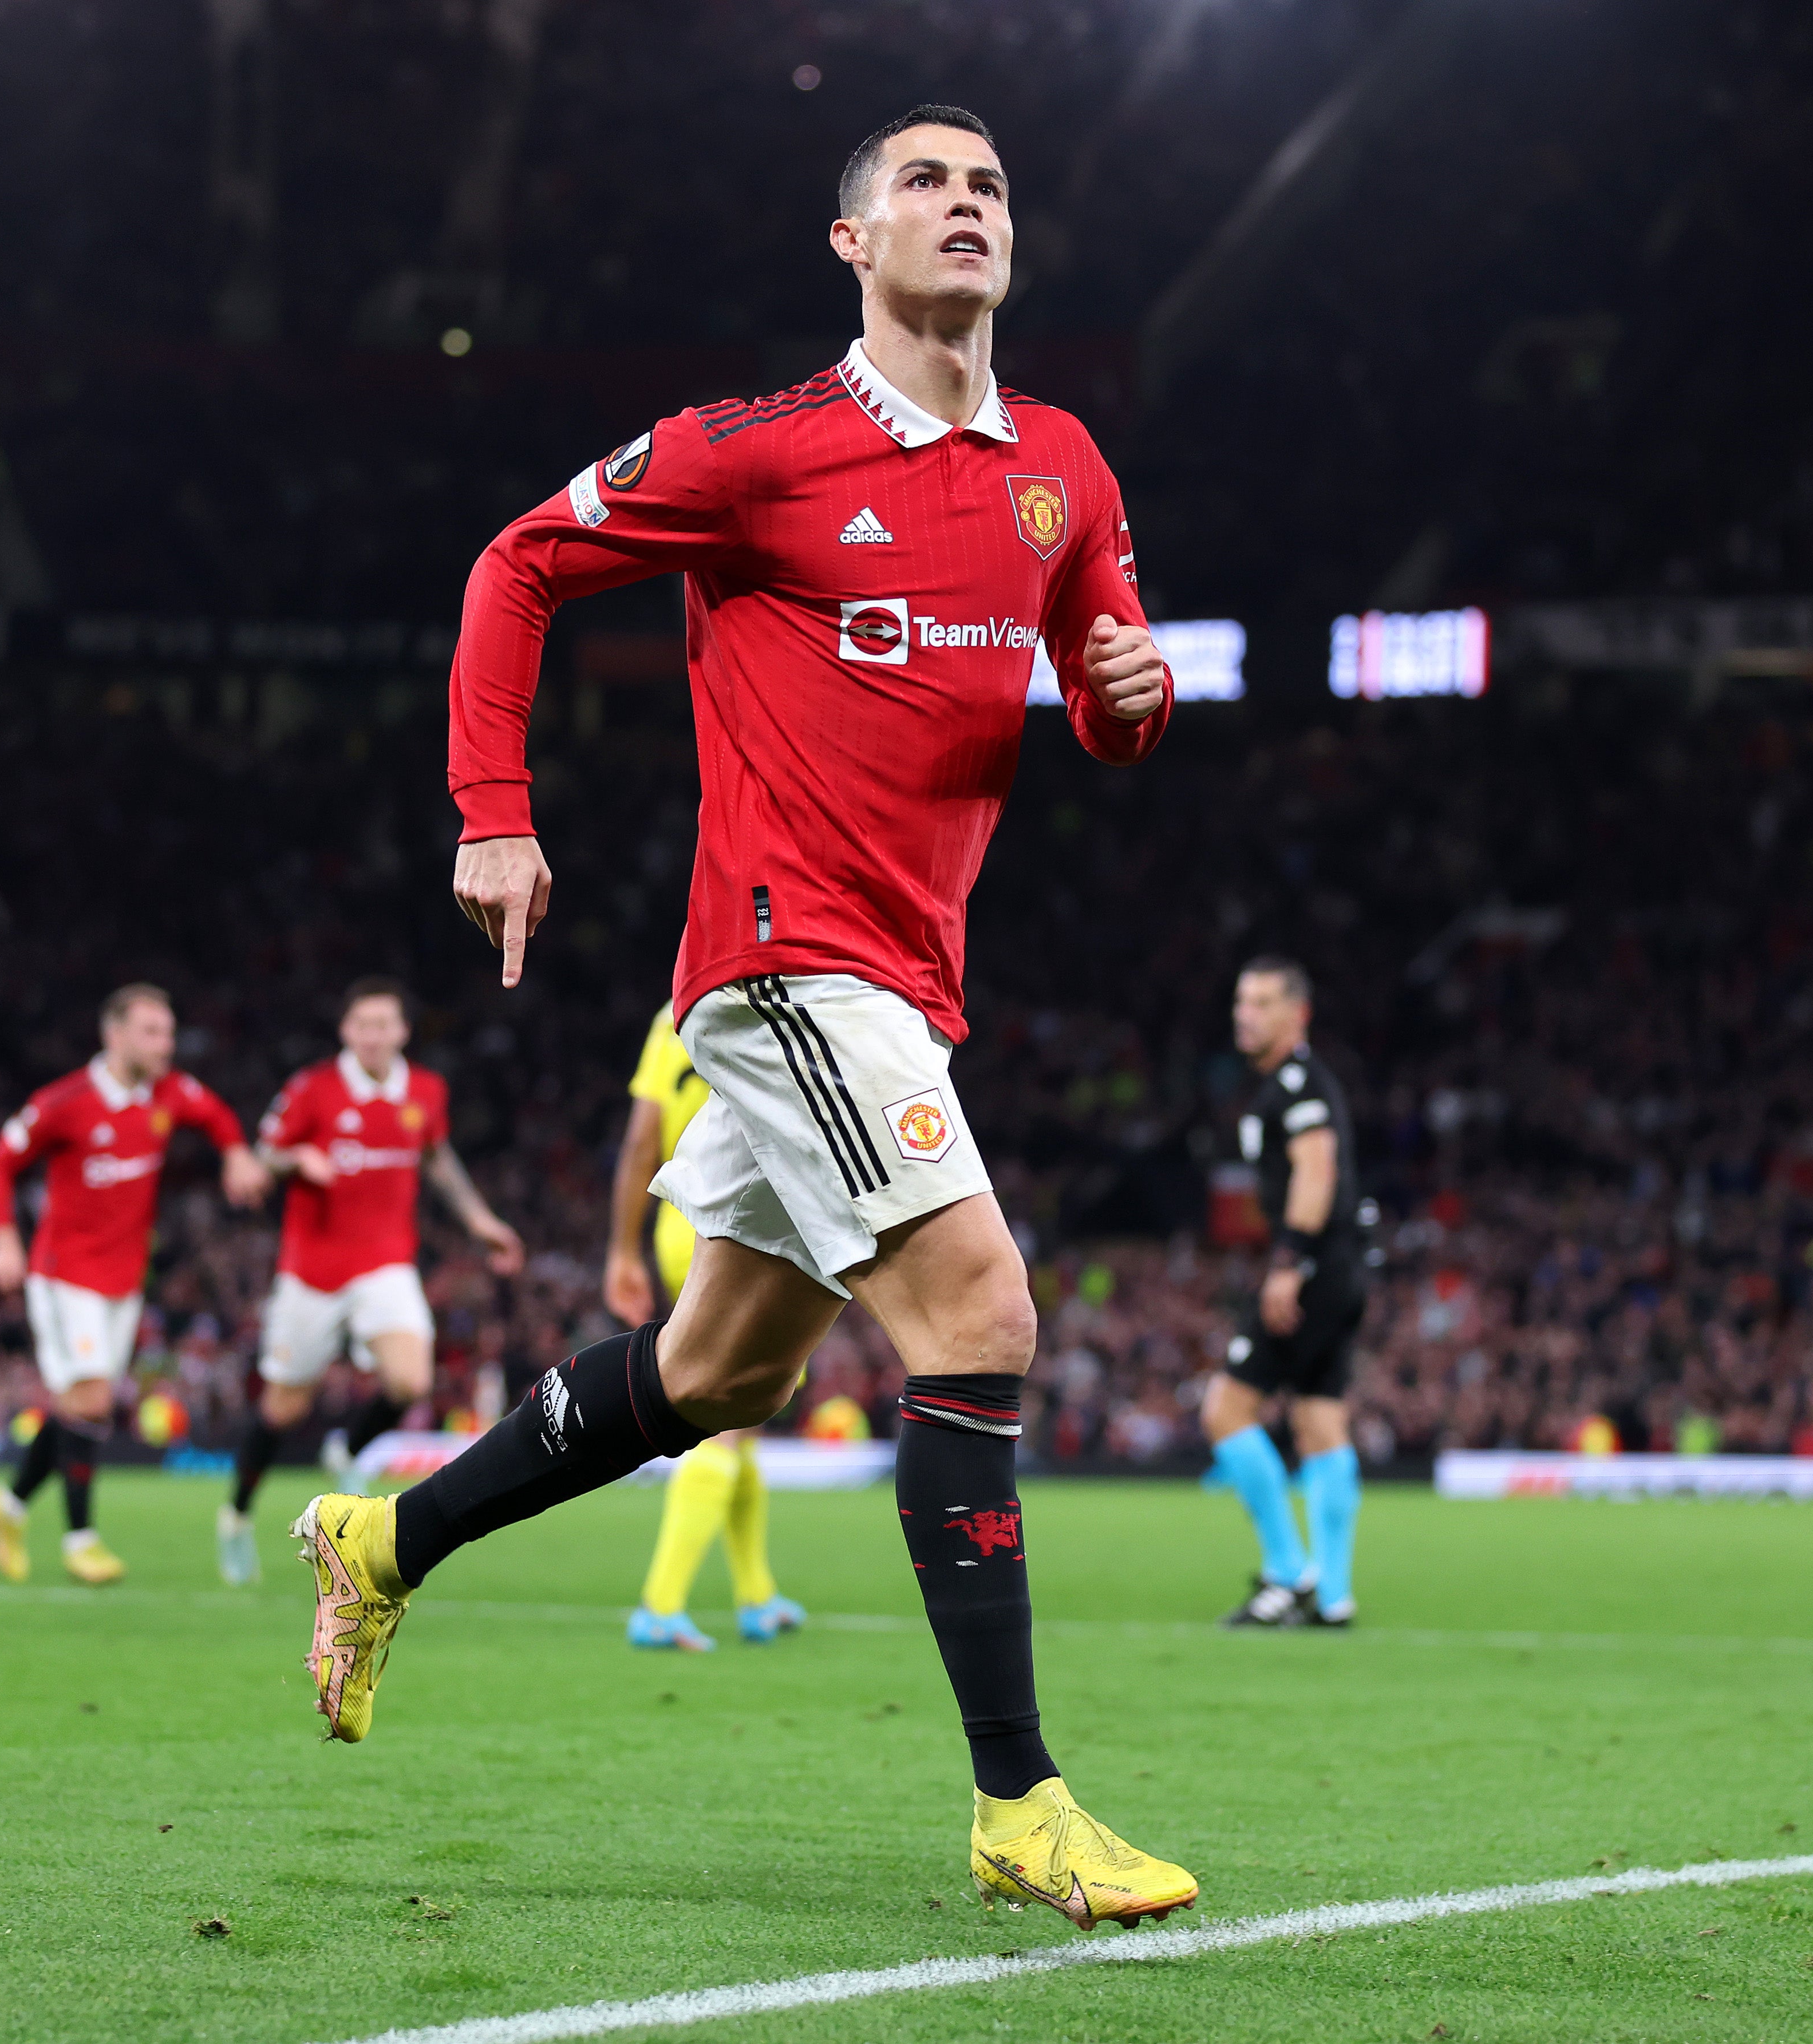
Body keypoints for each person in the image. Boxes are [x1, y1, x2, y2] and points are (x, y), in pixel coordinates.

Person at [291, 105, 1198, 1928]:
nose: (966, 207)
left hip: (906, 983)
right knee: (983, 1309)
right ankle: (1020, 1801)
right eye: (925, 185)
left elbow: (1106, 710)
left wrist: (1131, 692)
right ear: (850, 242)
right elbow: (517, 561)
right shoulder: (760, 454)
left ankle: (386, 1532)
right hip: (787, 965)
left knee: (725, 1372)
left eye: (990, 186)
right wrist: (492, 810)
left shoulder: (1065, 468)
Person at [216, 976, 523, 1587]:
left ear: (403, 1031)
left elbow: (436, 1158)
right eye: (363, 1025)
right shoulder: (313, 1089)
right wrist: (294, 1159)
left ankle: (345, 1449)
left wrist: (480, 1219)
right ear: (346, 1032)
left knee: (410, 1380)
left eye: (385, 1024)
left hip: (385, 1263)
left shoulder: (425, 1091)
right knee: (282, 1408)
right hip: (311, 1273)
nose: (375, 1035)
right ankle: (236, 1515)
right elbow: (263, 1154)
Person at [0, 983, 265, 1585]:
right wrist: (4, 1239)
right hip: (64, 1276)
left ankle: (8, 1505)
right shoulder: (66, 1102)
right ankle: (82, 1540)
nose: (167, 1043)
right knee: (93, 1403)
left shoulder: (168, 1093)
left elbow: (214, 1114)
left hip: (124, 1281)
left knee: (79, 1407)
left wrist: (236, 1154)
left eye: (169, 1031)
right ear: (115, 1035)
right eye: (152, 1032)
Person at [606, 1002, 806, 1650]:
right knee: (729, 1417)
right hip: (749, 1216)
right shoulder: (787, 986)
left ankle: (756, 1596)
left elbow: (643, 1136)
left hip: (681, 1214)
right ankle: (659, 1605)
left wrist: (622, 1248)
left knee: (742, 1423)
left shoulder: (673, 1009)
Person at [1201, 958, 1371, 1628]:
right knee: (1318, 1420)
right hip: (1342, 1267)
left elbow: (1316, 1169)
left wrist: (1288, 1262)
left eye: (1262, 1001)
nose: (1245, 1012)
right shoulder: (1286, 1084)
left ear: (1295, 1013)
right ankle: (1332, 1595)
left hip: (1315, 1268)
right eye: (1241, 999)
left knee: (1225, 1409)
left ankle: (1286, 1573)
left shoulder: (1296, 1084)